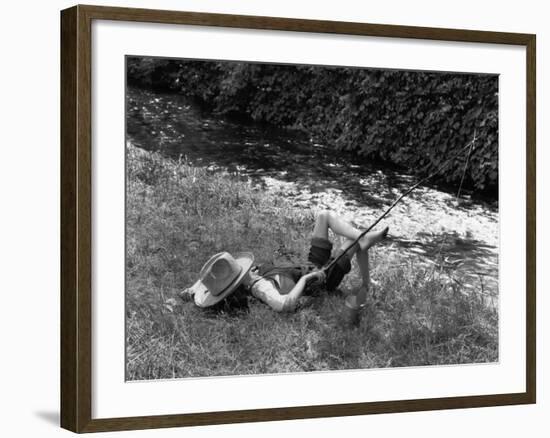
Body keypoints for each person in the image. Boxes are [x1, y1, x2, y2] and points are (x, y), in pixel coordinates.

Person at [179, 211, 388, 312]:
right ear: (236, 281)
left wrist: (190, 291)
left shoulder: (248, 275)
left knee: (324, 217)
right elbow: (284, 305)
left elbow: (208, 280)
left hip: (309, 264)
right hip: (322, 277)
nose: (244, 267)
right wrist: (307, 280)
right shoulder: (259, 287)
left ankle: (364, 239)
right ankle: (364, 247)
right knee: (352, 241)